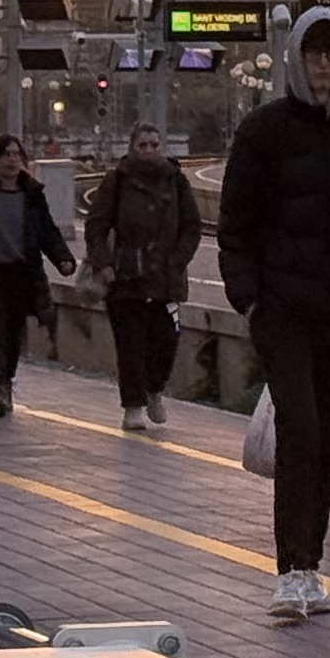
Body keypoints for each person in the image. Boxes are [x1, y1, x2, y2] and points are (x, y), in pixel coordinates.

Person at [218, 9, 330, 619]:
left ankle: (311, 563)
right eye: (314, 54)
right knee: (301, 429)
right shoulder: (264, 131)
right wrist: (250, 297)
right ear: (297, 57)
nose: (323, 65)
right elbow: (235, 223)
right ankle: (292, 570)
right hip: (286, 311)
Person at [84, 120, 203, 431]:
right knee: (131, 345)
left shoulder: (175, 181)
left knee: (166, 341)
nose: (149, 151)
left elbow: (192, 225)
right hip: (126, 278)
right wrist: (104, 263)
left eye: (154, 145)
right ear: (132, 147)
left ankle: (154, 390)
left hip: (166, 279)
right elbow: (97, 224)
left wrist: (177, 260)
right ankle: (133, 406)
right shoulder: (117, 181)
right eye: (142, 145)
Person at [0, 136, 76, 419]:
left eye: (17, 154)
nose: (12, 160)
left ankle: (5, 381)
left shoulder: (31, 194)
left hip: (21, 273)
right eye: (6, 154)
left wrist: (63, 259)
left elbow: (47, 230)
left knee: (13, 334)